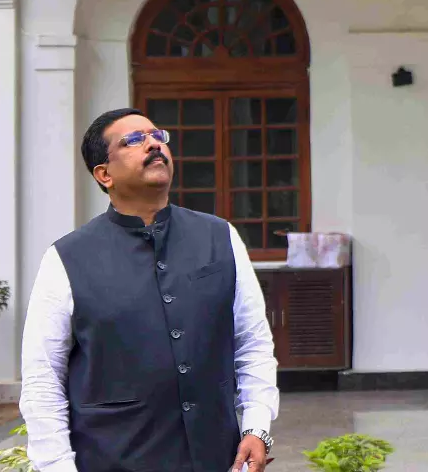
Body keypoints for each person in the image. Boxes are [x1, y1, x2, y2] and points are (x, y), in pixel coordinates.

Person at [19, 108, 279, 472]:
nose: (154, 144)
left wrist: (256, 427)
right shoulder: (66, 258)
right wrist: (56, 466)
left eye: (158, 136)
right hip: (112, 460)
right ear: (104, 174)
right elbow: (42, 378)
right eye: (133, 140)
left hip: (215, 457)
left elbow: (252, 343)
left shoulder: (220, 237)